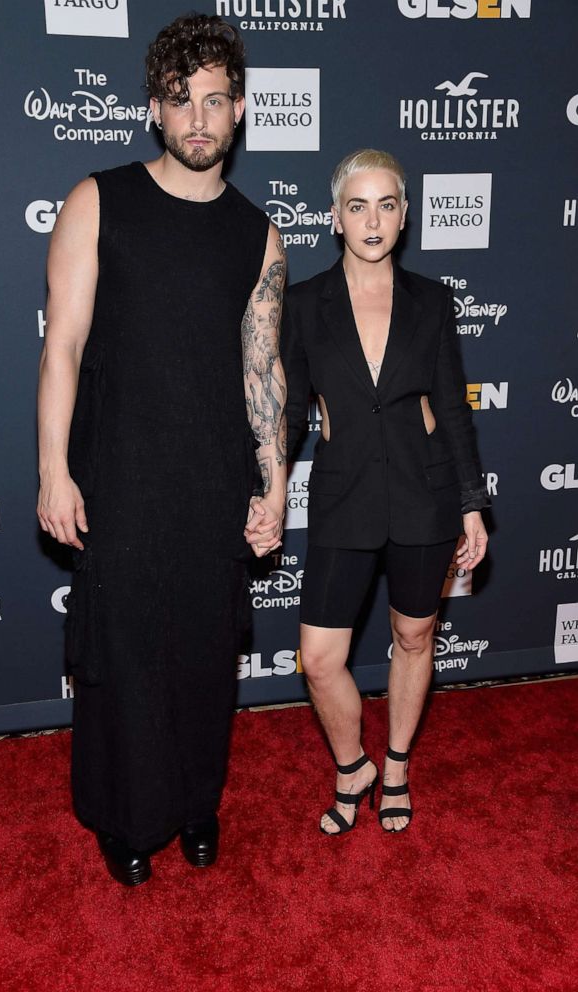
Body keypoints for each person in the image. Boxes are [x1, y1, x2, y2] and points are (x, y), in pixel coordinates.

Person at [36, 13, 287, 884]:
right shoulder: (97, 200)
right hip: (122, 475)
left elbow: (265, 371)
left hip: (214, 481)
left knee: (205, 656)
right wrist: (53, 470)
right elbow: (61, 344)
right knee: (126, 654)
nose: (198, 120)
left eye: (215, 101)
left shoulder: (258, 235)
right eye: (181, 101)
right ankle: (125, 815)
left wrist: (275, 480)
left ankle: (194, 804)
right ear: (155, 109)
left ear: (241, 109)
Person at [281, 149, 488, 835]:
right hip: (344, 493)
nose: (374, 220)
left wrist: (470, 501)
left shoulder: (432, 299)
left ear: (405, 215)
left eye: (388, 204)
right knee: (319, 658)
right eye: (358, 206)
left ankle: (395, 764)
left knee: (414, 632)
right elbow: (286, 417)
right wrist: (268, 489)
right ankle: (352, 766)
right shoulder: (304, 302)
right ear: (335, 218)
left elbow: (453, 409)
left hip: (422, 491)